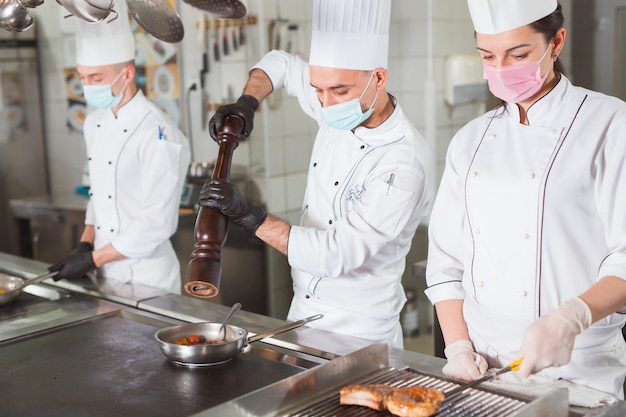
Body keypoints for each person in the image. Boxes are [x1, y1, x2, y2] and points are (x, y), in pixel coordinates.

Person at [200, 0, 434, 348]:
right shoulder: (334, 103)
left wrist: (249, 216)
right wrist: (247, 103)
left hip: (360, 336)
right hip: (302, 317)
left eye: (339, 91)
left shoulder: (403, 162)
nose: (325, 103)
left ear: (379, 78)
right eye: (317, 90)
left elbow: (335, 254)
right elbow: (278, 63)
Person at [425, 0, 626, 398]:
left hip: (580, 366)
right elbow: (446, 262)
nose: (501, 68)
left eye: (518, 54)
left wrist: (571, 318)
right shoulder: (470, 140)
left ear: (556, 43)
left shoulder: (609, 125)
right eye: (487, 55)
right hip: (484, 367)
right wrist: (459, 347)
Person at [48, 6, 191, 294]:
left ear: (127, 74)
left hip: (150, 280)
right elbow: (97, 193)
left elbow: (156, 224)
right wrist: (85, 243)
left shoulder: (160, 134)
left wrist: (91, 259)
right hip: (105, 273)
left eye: (97, 78)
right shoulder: (93, 122)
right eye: (83, 77)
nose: (87, 86)